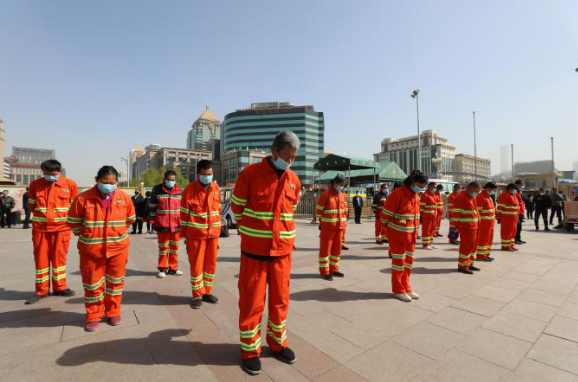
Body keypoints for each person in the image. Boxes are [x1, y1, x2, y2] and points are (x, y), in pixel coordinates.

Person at [231, 131, 301, 375]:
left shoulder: (294, 179)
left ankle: (278, 343)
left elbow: (289, 211)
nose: (289, 161)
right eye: (286, 156)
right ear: (273, 150)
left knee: (280, 301)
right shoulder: (249, 174)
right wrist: (251, 233)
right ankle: (250, 350)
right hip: (254, 253)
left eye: (293, 158)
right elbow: (236, 208)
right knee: (252, 303)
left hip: (282, 253)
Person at [67, 166, 136, 331]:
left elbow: (130, 219)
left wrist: (116, 235)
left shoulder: (124, 198)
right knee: (92, 285)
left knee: (115, 283)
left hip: (118, 250)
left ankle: (113, 313)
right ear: (96, 180)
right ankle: (93, 315)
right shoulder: (83, 198)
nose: (109, 185)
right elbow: (73, 222)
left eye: (112, 182)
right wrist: (87, 236)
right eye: (105, 182)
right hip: (91, 251)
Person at [25, 160, 78, 304]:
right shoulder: (35, 185)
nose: (50, 176)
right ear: (43, 172)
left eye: (53, 174)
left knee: (59, 259)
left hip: (62, 229)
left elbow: (74, 207)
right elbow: (32, 205)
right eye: (47, 174)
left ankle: (60, 287)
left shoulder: (70, 185)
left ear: (59, 171)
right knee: (41, 259)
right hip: (41, 229)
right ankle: (41, 290)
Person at [180, 160, 222, 309]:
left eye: (210, 174)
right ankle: (197, 294)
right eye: (205, 174)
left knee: (210, 265)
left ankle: (207, 292)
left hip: (213, 235)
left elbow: (218, 208)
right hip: (196, 235)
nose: (208, 177)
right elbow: (184, 214)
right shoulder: (190, 190)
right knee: (197, 266)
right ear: (198, 174)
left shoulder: (215, 188)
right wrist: (184, 235)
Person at [381, 170, 427, 302]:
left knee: (408, 264)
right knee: (399, 264)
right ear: (412, 182)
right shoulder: (397, 194)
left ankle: (406, 287)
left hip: (411, 236)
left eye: (423, 187)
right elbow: (384, 217)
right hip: (398, 236)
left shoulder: (415, 196)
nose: (420, 189)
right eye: (420, 185)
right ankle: (398, 290)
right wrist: (388, 232)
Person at [150, 170, 183, 278]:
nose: (171, 182)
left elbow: (182, 208)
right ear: (164, 179)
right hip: (162, 224)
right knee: (163, 248)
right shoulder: (157, 190)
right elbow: (152, 207)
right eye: (169, 180)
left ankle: (173, 268)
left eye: (173, 180)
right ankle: (162, 268)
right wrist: (152, 221)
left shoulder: (179, 191)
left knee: (174, 248)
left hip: (176, 225)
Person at [316, 174, 348, 281]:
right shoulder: (325, 195)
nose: (342, 186)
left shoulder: (342, 195)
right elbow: (319, 211)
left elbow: (345, 212)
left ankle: (334, 269)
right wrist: (321, 224)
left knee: (337, 250)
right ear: (334, 183)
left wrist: (344, 226)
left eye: (343, 184)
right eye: (340, 184)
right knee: (325, 251)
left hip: (340, 228)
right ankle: (324, 272)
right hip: (328, 228)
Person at [454, 182, 482, 274]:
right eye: (477, 191)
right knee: (466, 247)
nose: (477, 193)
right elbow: (456, 214)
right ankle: (463, 266)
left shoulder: (472, 197)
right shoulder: (461, 197)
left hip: (474, 226)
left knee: (473, 247)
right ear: (471, 189)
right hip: (466, 227)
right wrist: (454, 227)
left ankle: (470, 264)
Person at [476, 182, 497, 262]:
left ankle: (486, 254)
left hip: (490, 223)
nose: (493, 192)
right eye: (493, 190)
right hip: (484, 223)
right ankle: (481, 255)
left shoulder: (489, 197)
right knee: (483, 239)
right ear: (488, 188)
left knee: (489, 239)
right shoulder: (480, 197)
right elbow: (478, 212)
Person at [497, 183, 520, 251]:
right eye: (514, 189)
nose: (515, 191)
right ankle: (505, 246)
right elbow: (500, 207)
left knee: (513, 232)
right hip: (507, 218)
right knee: (507, 232)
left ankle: (511, 245)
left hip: (514, 218)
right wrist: (499, 217)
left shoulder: (513, 195)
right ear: (510, 189)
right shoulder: (505, 195)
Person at [420, 182, 438, 250]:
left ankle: (430, 243)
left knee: (432, 230)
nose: (435, 188)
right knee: (426, 230)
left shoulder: (433, 195)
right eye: (434, 187)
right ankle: (425, 244)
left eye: (435, 187)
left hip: (433, 216)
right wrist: (421, 216)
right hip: (427, 216)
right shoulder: (425, 195)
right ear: (429, 187)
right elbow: (421, 207)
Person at [514, 180, 526, 245]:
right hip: (516, 212)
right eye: (521, 184)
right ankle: (515, 239)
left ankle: (518, 238)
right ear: (517, 184)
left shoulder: (519, 191)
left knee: (519, 226)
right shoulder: (514, 191)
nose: (522, 185)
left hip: (520, 211)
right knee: (517, 226)